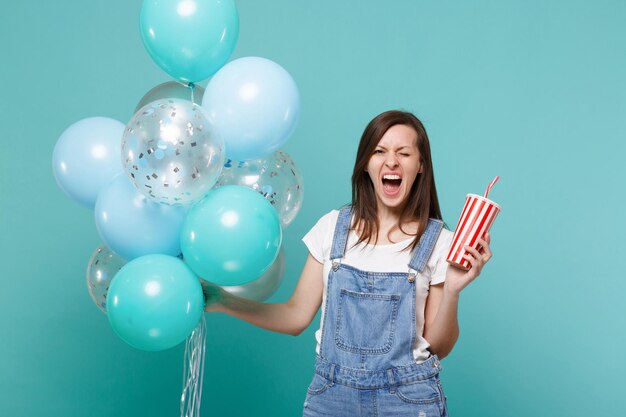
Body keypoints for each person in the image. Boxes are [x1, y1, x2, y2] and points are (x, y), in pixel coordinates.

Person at [202, 110, 493, 417]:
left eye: (404, 153)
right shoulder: (332, 228)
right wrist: (224, 301)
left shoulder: (439, 241)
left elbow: (439, 346)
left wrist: (453, 291)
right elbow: (295, 317)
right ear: (366, 164)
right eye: (379, 151)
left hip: (408, 400)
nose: (391, 161)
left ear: (420, 166)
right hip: (332, 397)